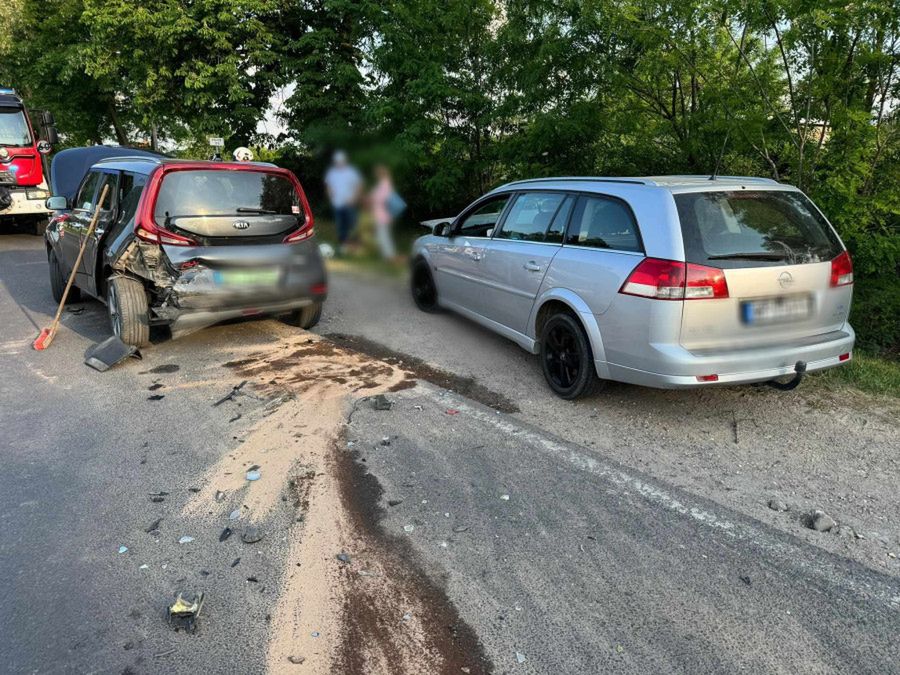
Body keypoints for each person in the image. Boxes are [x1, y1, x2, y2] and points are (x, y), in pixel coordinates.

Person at [324, 150, 362, 253]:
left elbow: (358, 185)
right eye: (337, 161)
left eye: (341, 161)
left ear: (345, 161)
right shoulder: (332, 172)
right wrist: (332, 198)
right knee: (341, 225)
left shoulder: (351, 171)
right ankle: (343, 246)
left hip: (350, 203)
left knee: (353, 224)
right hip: (337, 204)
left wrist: (354, 198)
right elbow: (328, 186)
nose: (339, 163)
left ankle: (356, 247)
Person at [368, 163, 404, 261]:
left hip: (382, 215)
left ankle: (390, 256)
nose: (375, 174)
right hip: (379, 214)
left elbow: (382, 198)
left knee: (384, 235)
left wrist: (372, 198)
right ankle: (387, 255)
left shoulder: (385, 184)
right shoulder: (383, 183)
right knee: (381, 235)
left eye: (377, 172)